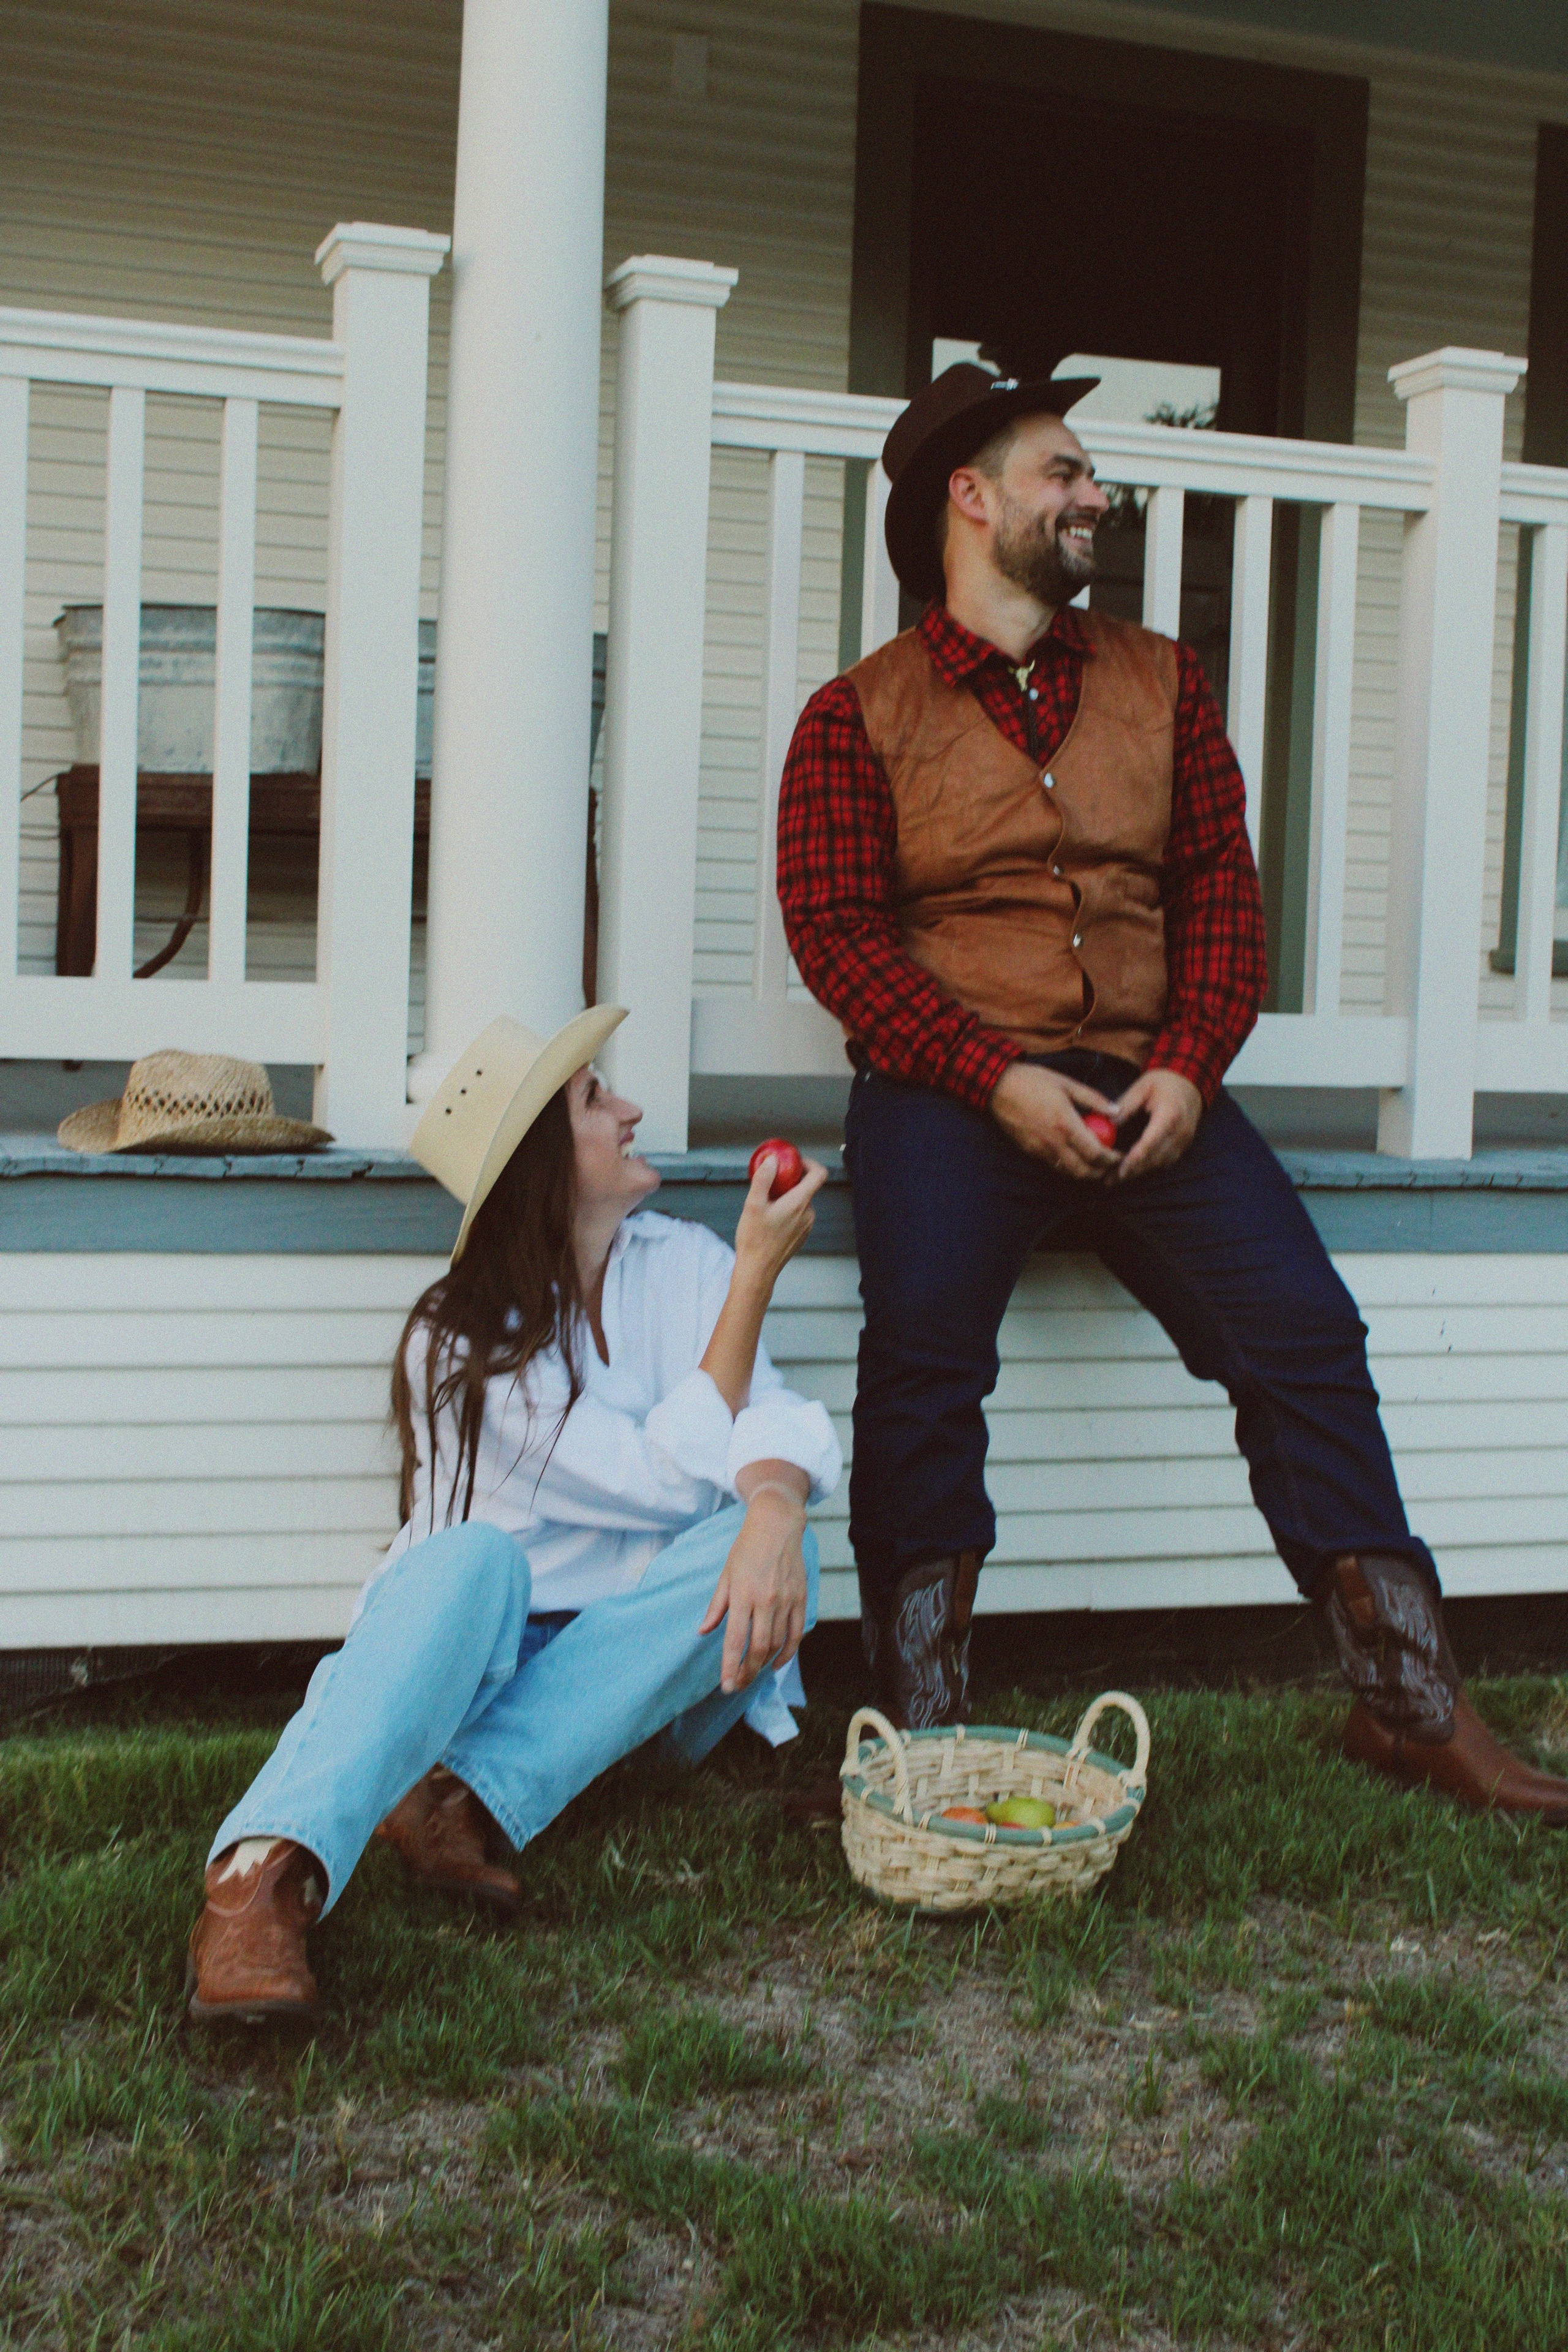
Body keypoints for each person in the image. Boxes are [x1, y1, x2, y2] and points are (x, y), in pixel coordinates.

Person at [775, 360, 1568, 1820]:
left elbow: (1219, 903)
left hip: (1150, 1083)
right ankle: (922, 1736)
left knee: (1304, 1334)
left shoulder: (1160, 681)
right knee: (923, 1367)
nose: (1095, 494)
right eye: (1064, 471)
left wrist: (1190, 1071)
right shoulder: (854, 716)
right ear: (970, 497)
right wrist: (990, 1076)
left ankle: (1408, 1707)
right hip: (948, 1090)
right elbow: (835, 937)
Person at [186, 1006, 842, 2021]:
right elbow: (665, 1477)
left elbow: (775, 1416)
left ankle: (459, 1793)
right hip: (472, 1671)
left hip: (633, 1684)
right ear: (543, 1160)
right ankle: (258, 1885)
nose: (630, 1110)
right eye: (595, 1100)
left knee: (772, 1538)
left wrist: (776, 1502)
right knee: (474, 1562)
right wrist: (757, 1277)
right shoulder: (459, 1345)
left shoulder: (686, 1266)